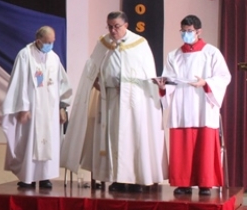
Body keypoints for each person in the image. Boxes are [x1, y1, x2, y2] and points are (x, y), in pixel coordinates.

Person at [61, 11, 167, 191]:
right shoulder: (103, 43)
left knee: (132, 138)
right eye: (109, 26)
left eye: (116, 26)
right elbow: (92, 68)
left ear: (126, 25)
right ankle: (117, 178)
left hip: (133, 101)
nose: (112, 30)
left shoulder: (139, 44)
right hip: (109, 99)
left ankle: (135, 180)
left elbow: (147, 75)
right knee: (112, 139)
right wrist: (95, 82)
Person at [156, 15, 231, 196]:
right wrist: (163, 86)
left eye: (189, 31)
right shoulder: (174, 55)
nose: (186, 35)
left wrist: (206, 82)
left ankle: (205, 183)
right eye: (183, 31)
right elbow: (169, 79)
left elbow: (224, 77)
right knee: (182, 146)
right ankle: (184, 183)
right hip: (181, 105)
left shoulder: (211, 53)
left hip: (203, 104)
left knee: (204, 145)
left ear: (198, 31)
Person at [2, 27, 72, 189]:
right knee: (30, 142)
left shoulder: (54, 58)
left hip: (50, 110)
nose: (50, 45)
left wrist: (62, 106)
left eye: (52, 42)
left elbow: (63, 83)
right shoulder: (25, 55)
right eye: (47, 42)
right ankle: (29, 177)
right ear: (38, 40)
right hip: (31, 110)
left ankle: (45, 176)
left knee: (49, 141)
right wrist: (23, 107)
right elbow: (18, 83)